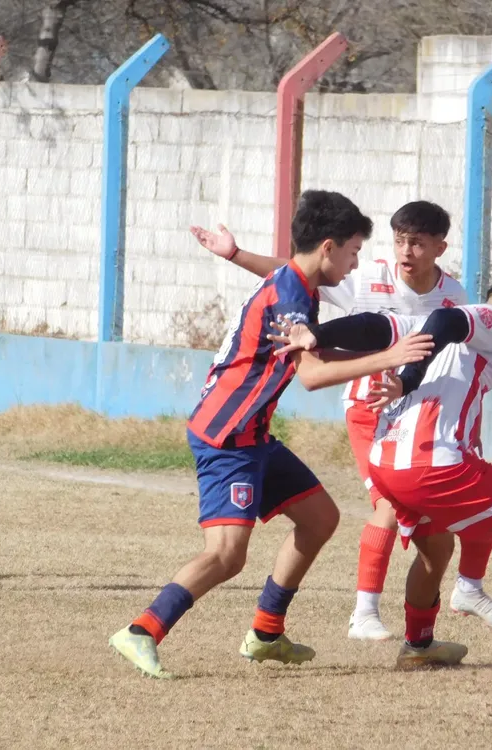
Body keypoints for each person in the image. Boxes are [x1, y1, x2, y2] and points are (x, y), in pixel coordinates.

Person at [108, 190, 436, 679]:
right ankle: (141, 631)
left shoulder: (296, 283)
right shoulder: (291, 298)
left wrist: (235, 253)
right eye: (353, 252)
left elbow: (316, 354)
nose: (354, 265)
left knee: (321, 518)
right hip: (227, 437)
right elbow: (312, 374)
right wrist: (391, 357)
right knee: (225, 554)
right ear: (328, 247)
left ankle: (265, 633)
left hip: (253, 434)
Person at [190, 200, 492, 642]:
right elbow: (294, 271)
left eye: (417, 243)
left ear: (439, 247)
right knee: (387, 504)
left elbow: (452, 352)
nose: (406, 251)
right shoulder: (369, 279)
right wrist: (234, 254)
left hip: (411, 407)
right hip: (367, 405)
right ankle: (364, 613)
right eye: (400, 241)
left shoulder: (453, 297)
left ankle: (432, 626)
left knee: (435, 532)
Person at [270, 276, 492, 677]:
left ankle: (418, 645)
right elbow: (446, 319)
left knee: (436, 548)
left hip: (387, 460)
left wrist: (315, 332)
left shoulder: (422, 323)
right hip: (436, 462)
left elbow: (374, 326)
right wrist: (409, 379)